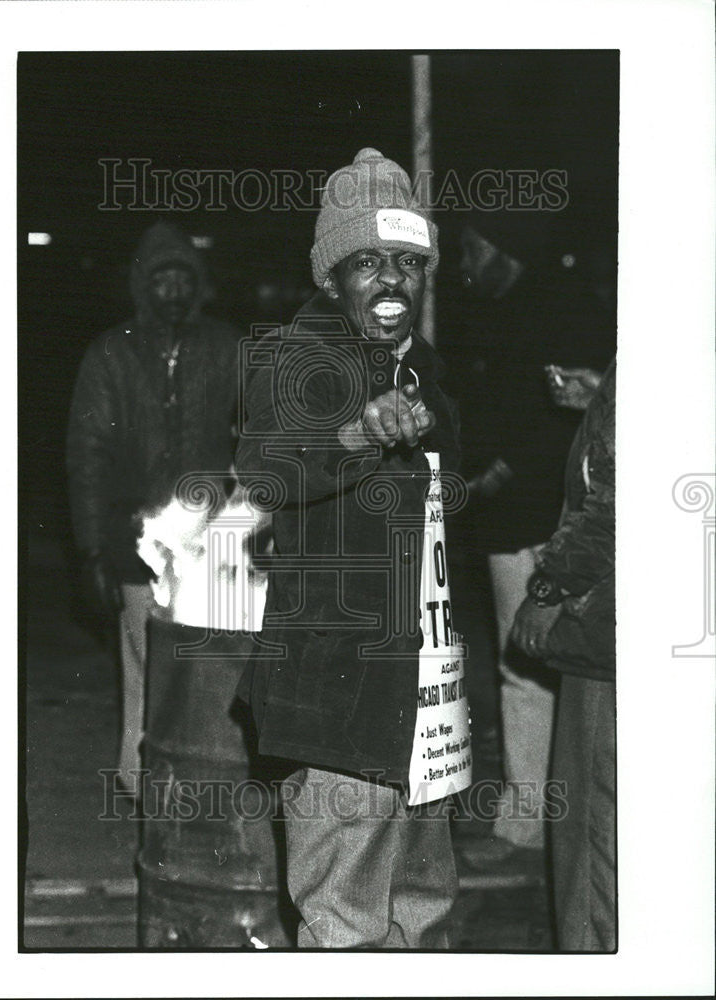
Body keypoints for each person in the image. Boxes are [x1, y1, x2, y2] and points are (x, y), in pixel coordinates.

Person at [235, 148, 465, 948]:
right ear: (332, 277)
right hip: (338, 694)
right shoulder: (301, 355)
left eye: (408, 262)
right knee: (347, 923)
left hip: (423, 691)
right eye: (367, 262)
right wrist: (358, 430)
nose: (392, 280)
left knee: (423, 906)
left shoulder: (423, 367)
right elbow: (267, 462)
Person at [66, 220, 241, 794]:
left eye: (183, 279)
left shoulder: (227, 347)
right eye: (160, 279)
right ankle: (142, 790)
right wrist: (92, 548)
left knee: (206, 670)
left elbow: (257, 439)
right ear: (141, 286)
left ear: (200, 286)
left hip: (211, 544)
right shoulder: (111, 353)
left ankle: (196, 790)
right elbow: (87, 454)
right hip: (135, 542)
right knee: (145, 669)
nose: (173, 291)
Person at [457, 219, 613, 858]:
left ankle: (528, 823)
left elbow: (556, 425)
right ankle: (552, 819)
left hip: (545, 517)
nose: (463, 261)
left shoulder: (553, 311)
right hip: (524, 514)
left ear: (507, 245)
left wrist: (493, 476)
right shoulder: (504, 313)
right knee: (537, 663)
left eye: (473, 246)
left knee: (529, 661)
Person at [511, 357, 616, 951]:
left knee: (593, 834)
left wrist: (548, 588)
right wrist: (604, 395)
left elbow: (611, 511)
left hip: (607, 625)